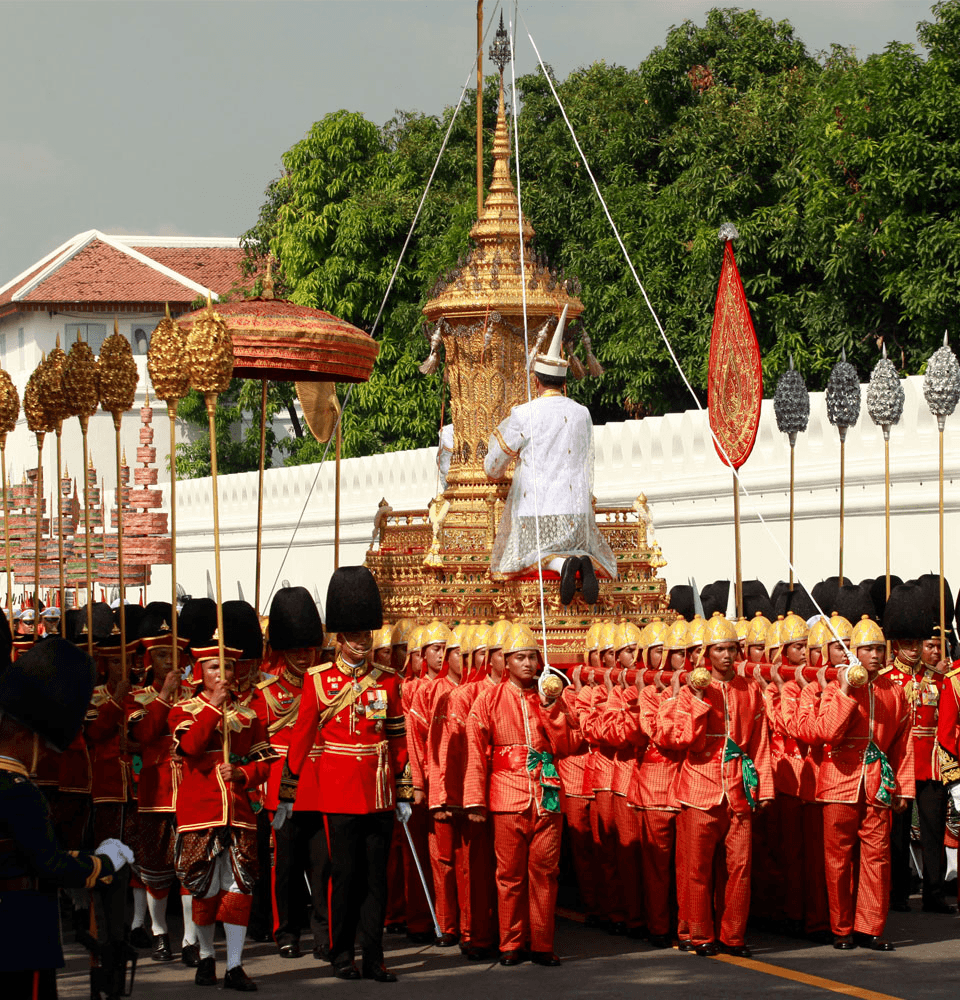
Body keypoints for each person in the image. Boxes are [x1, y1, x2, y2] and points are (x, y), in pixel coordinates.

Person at [279, 566, 410, 983]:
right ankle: (340, 954)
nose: (362, 643)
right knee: (344, 875)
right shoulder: (319, 682)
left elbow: (397, 738)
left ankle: (374, 956)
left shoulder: (386, 682)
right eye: (355, 637)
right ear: (339, 639)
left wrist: (404, 790)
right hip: (338, 792)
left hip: (378, 790)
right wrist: (287, 791)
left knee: (377, 880)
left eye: (366, 636)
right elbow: (300, 740)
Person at [0, 636, 134, 1000]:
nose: (46, 756)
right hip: (19, 926)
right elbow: (48, 865)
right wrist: (106, 862)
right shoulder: (18, 791)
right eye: (44, 745)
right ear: (27, 737)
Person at [464, 623, 583, 966]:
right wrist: (475, 799)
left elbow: (571, 743)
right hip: (506, 794)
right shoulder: (488, 698)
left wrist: (552, 708)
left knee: (545, 872)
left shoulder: (552, 695)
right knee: (509, 875)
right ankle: (511, 943)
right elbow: (475, 751)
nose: (528, 664)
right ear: (505, 661)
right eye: (520, 658)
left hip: (547, 794)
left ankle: (543, 944)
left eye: (533, 657)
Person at [483, 307, 616, 605]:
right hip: (576, 515)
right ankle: (579, 557)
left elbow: (492, 466)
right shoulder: (582, 414)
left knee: (515, 558)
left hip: (537, 515)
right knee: (569, 544)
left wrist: (497, 472)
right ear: (563, 381)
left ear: (537, 381)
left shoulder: (524, 414)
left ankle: (560, 564)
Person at [800, 613, 914, 951]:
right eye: (868, 649)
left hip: (877, 783)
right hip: (839, 780)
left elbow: (902, 744)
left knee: (877, 857)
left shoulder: (895, 691)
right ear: (854, 653)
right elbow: (825, 734)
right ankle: (841, 927)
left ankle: (871, 927)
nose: (876, 655)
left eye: (880, 648)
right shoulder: (832, 686)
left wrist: (902, 788)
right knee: (838, 858)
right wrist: (847, 688)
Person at [169, 637, 276, 990]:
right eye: (214, 667)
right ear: (201, 672)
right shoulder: (183, 710)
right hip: (201, 813)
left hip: (240, 813)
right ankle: (205, 957)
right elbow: (191, 747)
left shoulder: (248, 713)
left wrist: (244, 774)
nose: (222, 673)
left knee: (238, 888)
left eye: (227, 666)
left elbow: (265, 761)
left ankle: (234, 964)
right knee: (204, 887)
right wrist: (214, 706)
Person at [670, 612, 774, 958]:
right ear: (706, 654)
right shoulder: (691, 690)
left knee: (740, 867)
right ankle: (699, 934)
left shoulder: (750, 689)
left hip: (738, 790)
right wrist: (697, 698)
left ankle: (733, 936)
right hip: (700, 787)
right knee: (696, 868)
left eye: (732, 649)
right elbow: (686, 739)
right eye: (719, 650)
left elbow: (760, 742)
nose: (727, 656)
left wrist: (764, 788)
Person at [251, 586, 322, 959]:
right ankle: (287, 931)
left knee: (324, 865)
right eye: (296, 650)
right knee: (287, 867)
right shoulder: (267, 693)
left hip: (323, 785)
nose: (304, 656)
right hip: (283, 789)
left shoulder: (327, 687)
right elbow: (260, 745)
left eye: (308, 650)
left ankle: (324, 932)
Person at [884, 583, 955, 913]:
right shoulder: (886, 679)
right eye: (909, 643)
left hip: (930, 764)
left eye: (918, 643)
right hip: (899, 762)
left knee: (932, 830)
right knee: (897, 834)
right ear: (898, 642)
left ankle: (934, 893)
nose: (915, 650)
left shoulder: (936, 678)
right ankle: (897, 893)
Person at [125, 601, 189, 962]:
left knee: (190, 868)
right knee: (155, 868)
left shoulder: (195, 693)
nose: (170, 661)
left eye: (174, 654)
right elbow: (146, 734)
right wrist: (164, 696)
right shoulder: (139, 697)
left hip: (191, 791)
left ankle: (191, 940)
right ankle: (160, 931)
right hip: (155, 793)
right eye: (162, 655)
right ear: (150, 659)